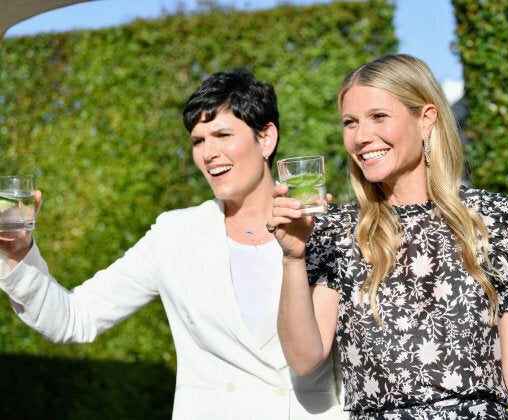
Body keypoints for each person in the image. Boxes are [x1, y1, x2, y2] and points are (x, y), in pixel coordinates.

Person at [0, 70, 344, 419]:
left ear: (266, 138)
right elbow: (75, 318)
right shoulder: (174, 235)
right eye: (198, 141)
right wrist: (18, 255)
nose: (209, 153)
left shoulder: (327, 228)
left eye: (223, 134)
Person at [267, 54, 508, 419]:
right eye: (350, 122)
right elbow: (305, 358)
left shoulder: (493, 218)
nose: (361, 137)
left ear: (426, 119)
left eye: (378, 117)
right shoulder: (336, 231)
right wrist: (293, 257)